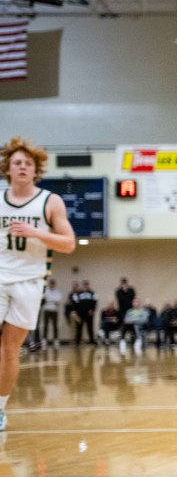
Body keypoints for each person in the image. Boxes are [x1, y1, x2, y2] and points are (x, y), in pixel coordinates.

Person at [0, 137, 77, 431]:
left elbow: (69, 243)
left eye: (28, 163)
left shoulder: (49, 201)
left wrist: (37, 232)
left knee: (9, 349)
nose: (22, 167)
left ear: (35, 171)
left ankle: (1, 409)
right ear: (8, 168)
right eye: (17, 162)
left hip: (29, 281)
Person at [71, 280, 97, 345]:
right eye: (84, 285)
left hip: (89, 313)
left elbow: (95, 302)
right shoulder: (78, 293)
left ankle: (92, 340)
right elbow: (74, 303)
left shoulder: (92, 293)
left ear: (88, 285)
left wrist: (92, 310)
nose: (85, 286)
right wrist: (74, 311)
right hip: (80, 313)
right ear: (82, 286)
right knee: (79, 327)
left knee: (90, 327)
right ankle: (77, 341)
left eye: (87, 285)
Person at [39, 278, 63, 346]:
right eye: (51, 283)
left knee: (55, 325)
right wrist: (52, 300)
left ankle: (56, 339)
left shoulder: (57, 291)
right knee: (45, 325)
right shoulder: (46, 291)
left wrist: (50, 300)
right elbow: (44, 298)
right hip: (47, 310)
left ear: (54, 284)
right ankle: (44, 340)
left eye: (53, 283)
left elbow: (58, 299)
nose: (52, 284)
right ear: (49, 284)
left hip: (54, 310)